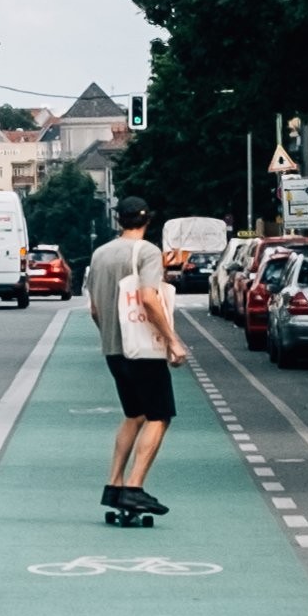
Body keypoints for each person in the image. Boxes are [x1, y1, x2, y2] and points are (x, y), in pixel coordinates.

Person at [85, 195, 183, 522]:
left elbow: (95, 309)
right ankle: (135, 487)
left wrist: (109, 336)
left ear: (118, 220)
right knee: (159, 415)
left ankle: (113, 485)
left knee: (134, 414)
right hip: (142, 350)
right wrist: (172, 341)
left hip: (113, 348)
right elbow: (149, 299)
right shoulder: (148, 252)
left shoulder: (100, 255)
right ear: (147, 219)